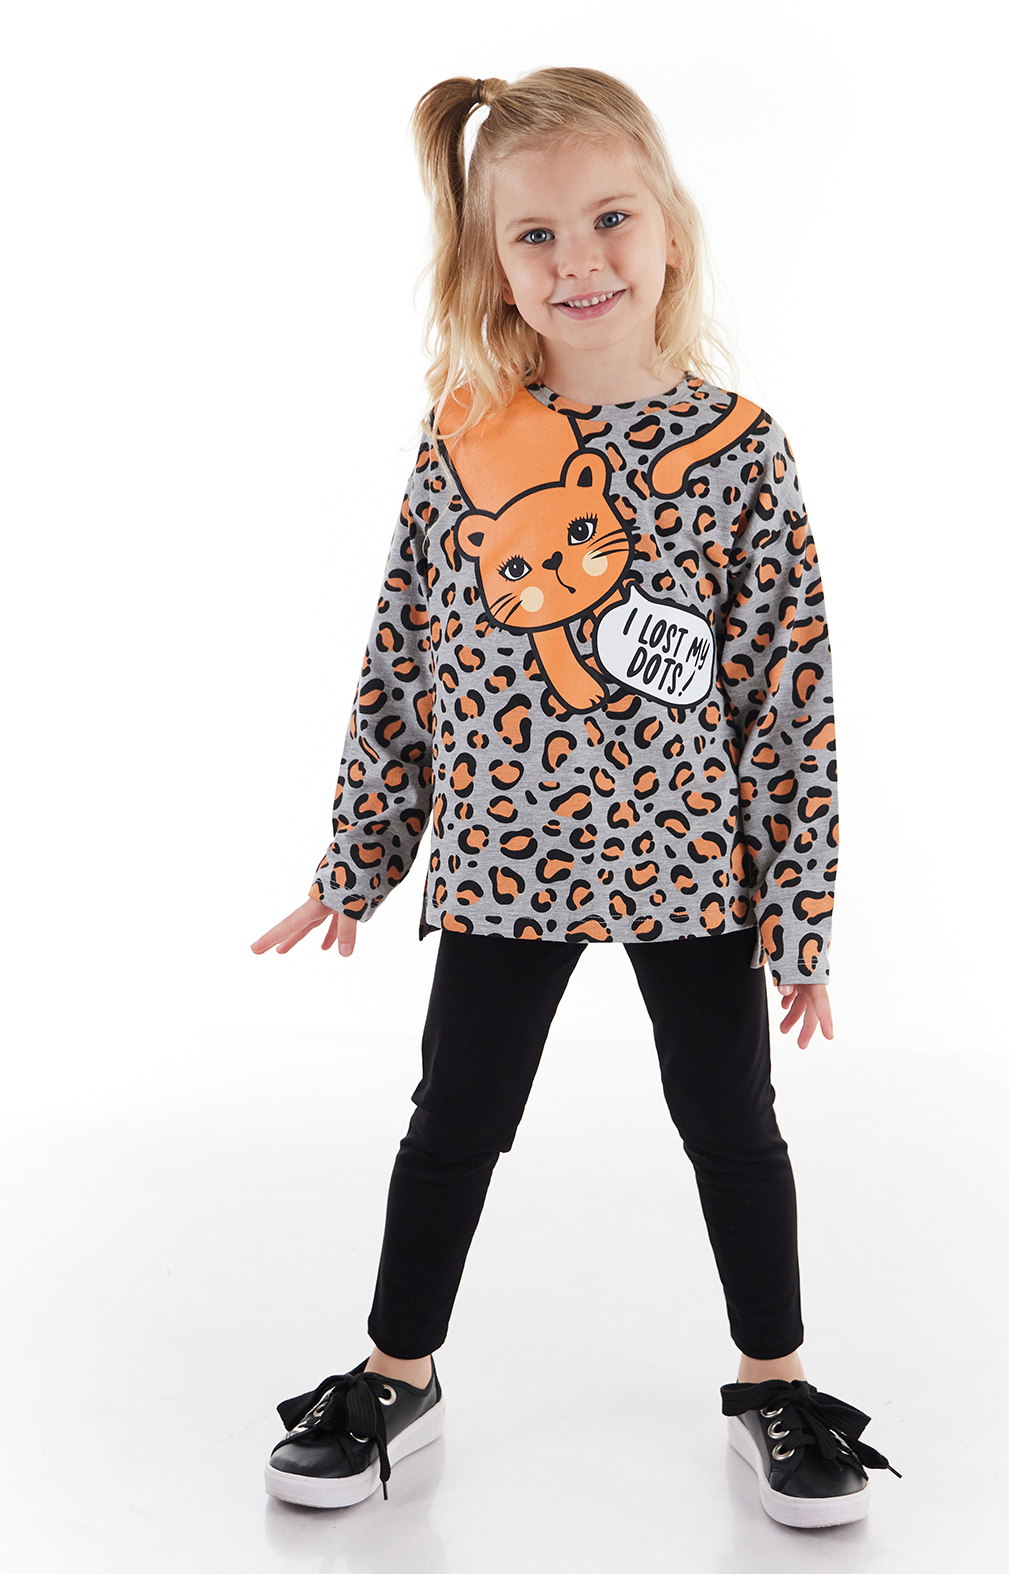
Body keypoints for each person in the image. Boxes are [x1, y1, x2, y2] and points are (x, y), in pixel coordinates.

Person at [251, 66, 899, 1529]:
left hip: (690, 872)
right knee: (454, 1119)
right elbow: (405, 661)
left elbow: (789, 697)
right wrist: (355, 861)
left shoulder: (740, 452)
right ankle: (396, 1373)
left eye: (609, 219)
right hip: (504, 863)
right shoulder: (466, 436)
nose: (577, 260)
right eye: (533, 235)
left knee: (731, 1124)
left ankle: (776, 1383)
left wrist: (799, 914)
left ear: (668, 229)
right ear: (491, 262)